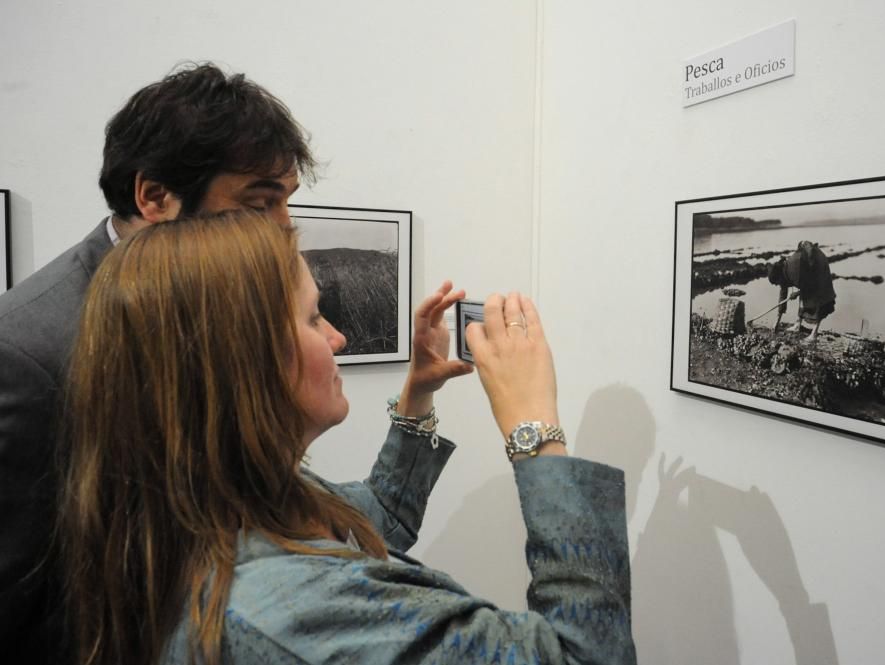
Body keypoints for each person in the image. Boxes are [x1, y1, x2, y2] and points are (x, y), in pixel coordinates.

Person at [59, 210, 636, 665]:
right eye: (313, 318)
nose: (336, 338)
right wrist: (535, 429)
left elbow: (374, 521)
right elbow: (587, 655)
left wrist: (418, 393)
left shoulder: (199, 502)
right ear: (242, 360)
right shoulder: (292, 613)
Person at [0, 62, 317, 660]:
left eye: (285, 202)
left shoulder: (200, 301)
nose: (282, 228)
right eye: (258, 202)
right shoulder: (25, 353)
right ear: (153, 196)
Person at [767, 240, 837, 343]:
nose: (778, 285)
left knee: (817, 301)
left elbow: (810, 285)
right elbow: (783, 294)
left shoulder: (794, 270)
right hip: (806, 270)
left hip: (818, 265)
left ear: (779, 277)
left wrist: (796, 293)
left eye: (776, 283)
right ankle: (797, 324)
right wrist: (777, 321)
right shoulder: (783, 272)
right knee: (803, 298)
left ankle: (814, 334)